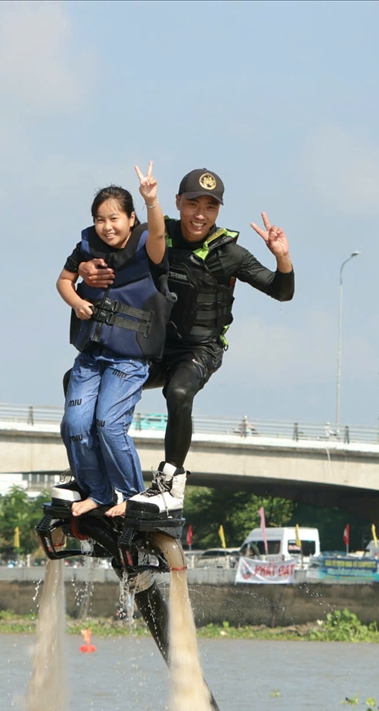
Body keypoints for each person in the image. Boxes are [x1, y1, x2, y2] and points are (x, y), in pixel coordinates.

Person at [77, 168, 293, 522]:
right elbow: (109, 243)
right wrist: (86, 268)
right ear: (178, 202)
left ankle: (169, 484)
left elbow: (282, 292)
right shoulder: (158, 233)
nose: (200, 214)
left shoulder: (231, 254)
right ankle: (93, 480)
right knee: (79, 379)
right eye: (192, 203)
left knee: (177, 393)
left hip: (199, 350)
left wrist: (281, 255)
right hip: (153, 346)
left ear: (218, 211)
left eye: (210, 206)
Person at [49, 167, 169, 520]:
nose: (107, 226)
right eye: (100, 219)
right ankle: (99, 493)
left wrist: (151, 201)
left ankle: (132, 497)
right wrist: (76, 301)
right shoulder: (86, 247)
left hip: (129, 359)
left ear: (131, 218)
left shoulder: (148, 244)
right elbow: (63, 281)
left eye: (114, 218)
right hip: (92, 355)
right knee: (74, 424)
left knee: (107, 424)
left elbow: (159, 235)